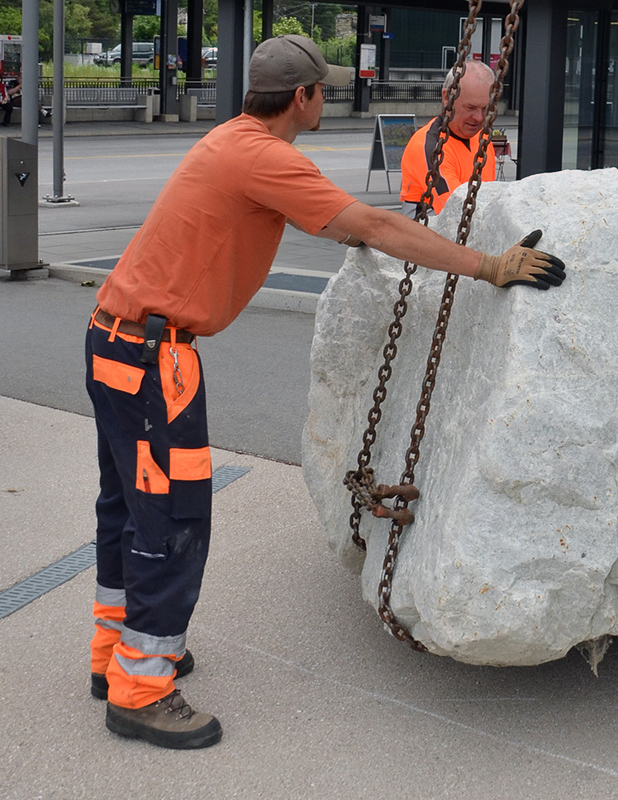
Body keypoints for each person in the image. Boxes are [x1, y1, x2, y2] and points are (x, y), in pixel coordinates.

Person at [84, 34, 565, 751]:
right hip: (154, 360)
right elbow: (369, 226)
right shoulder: (266, 157)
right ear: (303, 97)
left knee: (128, 509)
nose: (327, 99)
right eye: (324, 91)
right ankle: (141, 688)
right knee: (170, 520)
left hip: (116, 340)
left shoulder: (231, 139)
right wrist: (489, 265)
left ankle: (115, 656)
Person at [399, 59, 496, 219]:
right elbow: (457, 209)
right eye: (470, 108)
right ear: (447, 97)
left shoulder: (482, 138)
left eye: (485, 109)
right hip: (428, 239)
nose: (479, 118)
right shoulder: (430, 148)